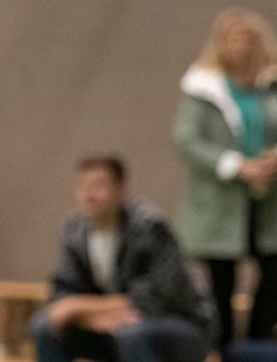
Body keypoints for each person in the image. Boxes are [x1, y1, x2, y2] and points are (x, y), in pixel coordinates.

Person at [172, 7, 277, 356]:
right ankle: (223, 350)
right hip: (222, 202)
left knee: (275, 273)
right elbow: (186, 140)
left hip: (270, 198)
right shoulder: (203, 88)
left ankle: (258, 350)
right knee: (221, 283)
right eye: (232, 39)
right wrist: (234, 165)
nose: (240, 46)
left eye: (247, 38)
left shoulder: (275, 85)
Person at [29, 154, 215, 362]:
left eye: (98, 186)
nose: (89, 194)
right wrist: (91, 318)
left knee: (130, 332)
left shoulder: (150, 227)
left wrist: (77, 307)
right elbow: (62, 292)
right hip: (113, 326)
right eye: (83, 186)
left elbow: (155, 297)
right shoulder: (74, 231)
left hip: (177, 324)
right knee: (45, 325)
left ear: (121, 189)